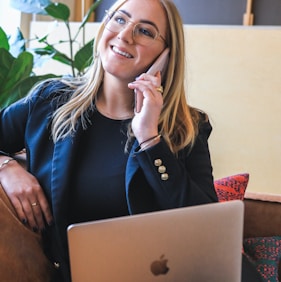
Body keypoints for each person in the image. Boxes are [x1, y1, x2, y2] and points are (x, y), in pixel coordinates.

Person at [0, 0, 260, 281]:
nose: (125, 35)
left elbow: (206, 227)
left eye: (145, 32)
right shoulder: (48, 102)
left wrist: (150, 138)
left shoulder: (186, 127)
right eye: (119, 20)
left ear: (166, 55)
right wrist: (6, 166)